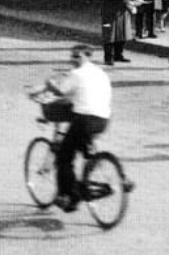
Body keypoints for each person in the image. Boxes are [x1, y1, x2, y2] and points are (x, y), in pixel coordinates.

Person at [33, 44, 111, 213]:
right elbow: (82, 95)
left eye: (78, 56)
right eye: (72, 56)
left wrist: (49, 83)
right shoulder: (100, 72)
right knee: (83, 148)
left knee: (63, 157)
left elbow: (61, 92)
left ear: (88, 57)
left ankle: (69, 197)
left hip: (84, 120)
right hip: (103, 119)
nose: (73, 59)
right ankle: (104, 175)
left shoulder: (77, 74)